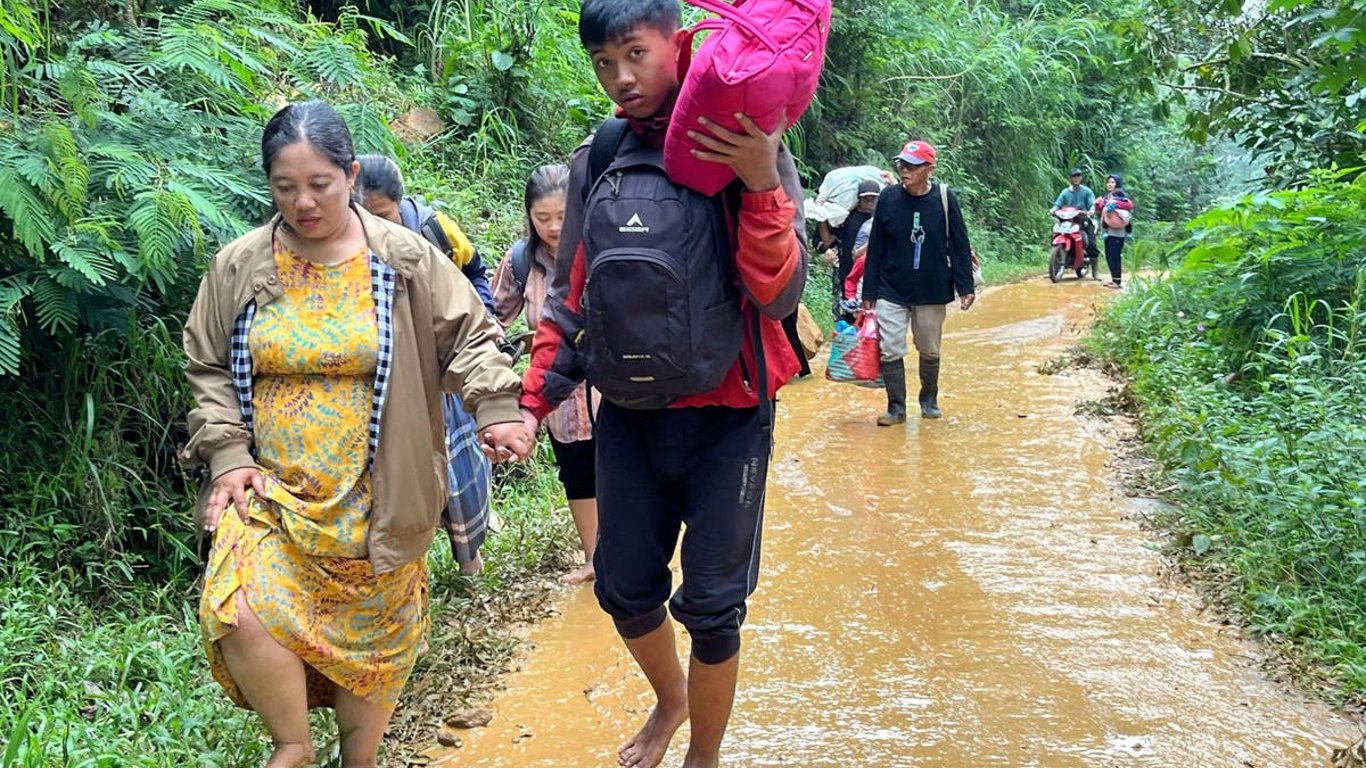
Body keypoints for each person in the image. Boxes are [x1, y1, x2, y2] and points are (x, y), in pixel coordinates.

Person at [180, 100, 533, 768]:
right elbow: (207, 363)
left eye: (320, 184)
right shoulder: (239, 265)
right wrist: (226, 452)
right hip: (274, 496)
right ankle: (293, 745)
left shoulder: (404, 259)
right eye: (285, 187)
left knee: (372, 650)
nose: (303, 202)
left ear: (350, 175)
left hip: (380, 496)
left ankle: (359, 758)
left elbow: (469, 336)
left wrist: (495, 407)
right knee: (237, 603)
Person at [517, 1, 807, 766]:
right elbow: (571, 295)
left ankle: (702, 757)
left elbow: (780, 295)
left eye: (635, 54)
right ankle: (672, 701)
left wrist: (759, 180)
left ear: (679, 42)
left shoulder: (745, 136)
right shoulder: (600, 154)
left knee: (713, 608)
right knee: (622, 586)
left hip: (730, 414)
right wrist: (531, 404)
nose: (621, 77)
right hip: (631, 411)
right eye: (603, 63)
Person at [355, 153, 496, 576]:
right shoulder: (344, 246)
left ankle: (470, 556)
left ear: (400, 203)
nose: (374, 227)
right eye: (364, 216)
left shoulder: (434, 230)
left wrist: (482, 322)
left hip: (443, 368)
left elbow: (475, 272)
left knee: (459, 464)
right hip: (389, 378)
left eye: (383, 215)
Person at [490, 164, 600, 584]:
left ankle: (630, 560)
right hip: (557, 394)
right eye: (543, 218)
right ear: (530, 217)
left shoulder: (600, 247)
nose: (554, 227)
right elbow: (492, 320)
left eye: (562, 216)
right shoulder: (522, 262)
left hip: (611, 389)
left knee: (623, 471)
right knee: (577, 473)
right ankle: (594, 559)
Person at [860, 139, 976, 424]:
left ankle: (929, 400)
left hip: (932, 288)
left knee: (929, 348)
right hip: (891, 287)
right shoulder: (888, 198)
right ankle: (896, 408)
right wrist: (869, 290)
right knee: (890, 348)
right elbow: (876, 247)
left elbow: (959, 244)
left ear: (929, 169)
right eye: (902, 164)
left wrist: (965, 286)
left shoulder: (945, 199)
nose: (904, 170)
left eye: (912, 166)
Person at [1051, 168, 1097, 270]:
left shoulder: (1087, 192)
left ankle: (1095, 270)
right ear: (1070, 178)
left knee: (1091, 243)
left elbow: (1092, 204)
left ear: (1081, 178)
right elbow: (1058, 204)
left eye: (1078, 176)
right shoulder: (1065, 192)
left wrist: (1091, 211)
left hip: (1082, 220)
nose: (1076, 178)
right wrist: (1053, 210)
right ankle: (1057, 260)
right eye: (1074, 176)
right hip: (1067, 220)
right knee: (1056, 232)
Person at [1095, 173, 1135, 289]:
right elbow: (1100, 209)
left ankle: (1117, 281)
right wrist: (1098, 204)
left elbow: (1129, 205)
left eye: (1112, 182)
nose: (1109, 184)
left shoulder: (1121, 195)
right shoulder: (1107, 196)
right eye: (1108, 182)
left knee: (1115, 255)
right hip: (1108, 231)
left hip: (1118, 231)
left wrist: (1114, 203)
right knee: (1109, 255)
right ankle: (1114, 280)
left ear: (1117, 183)